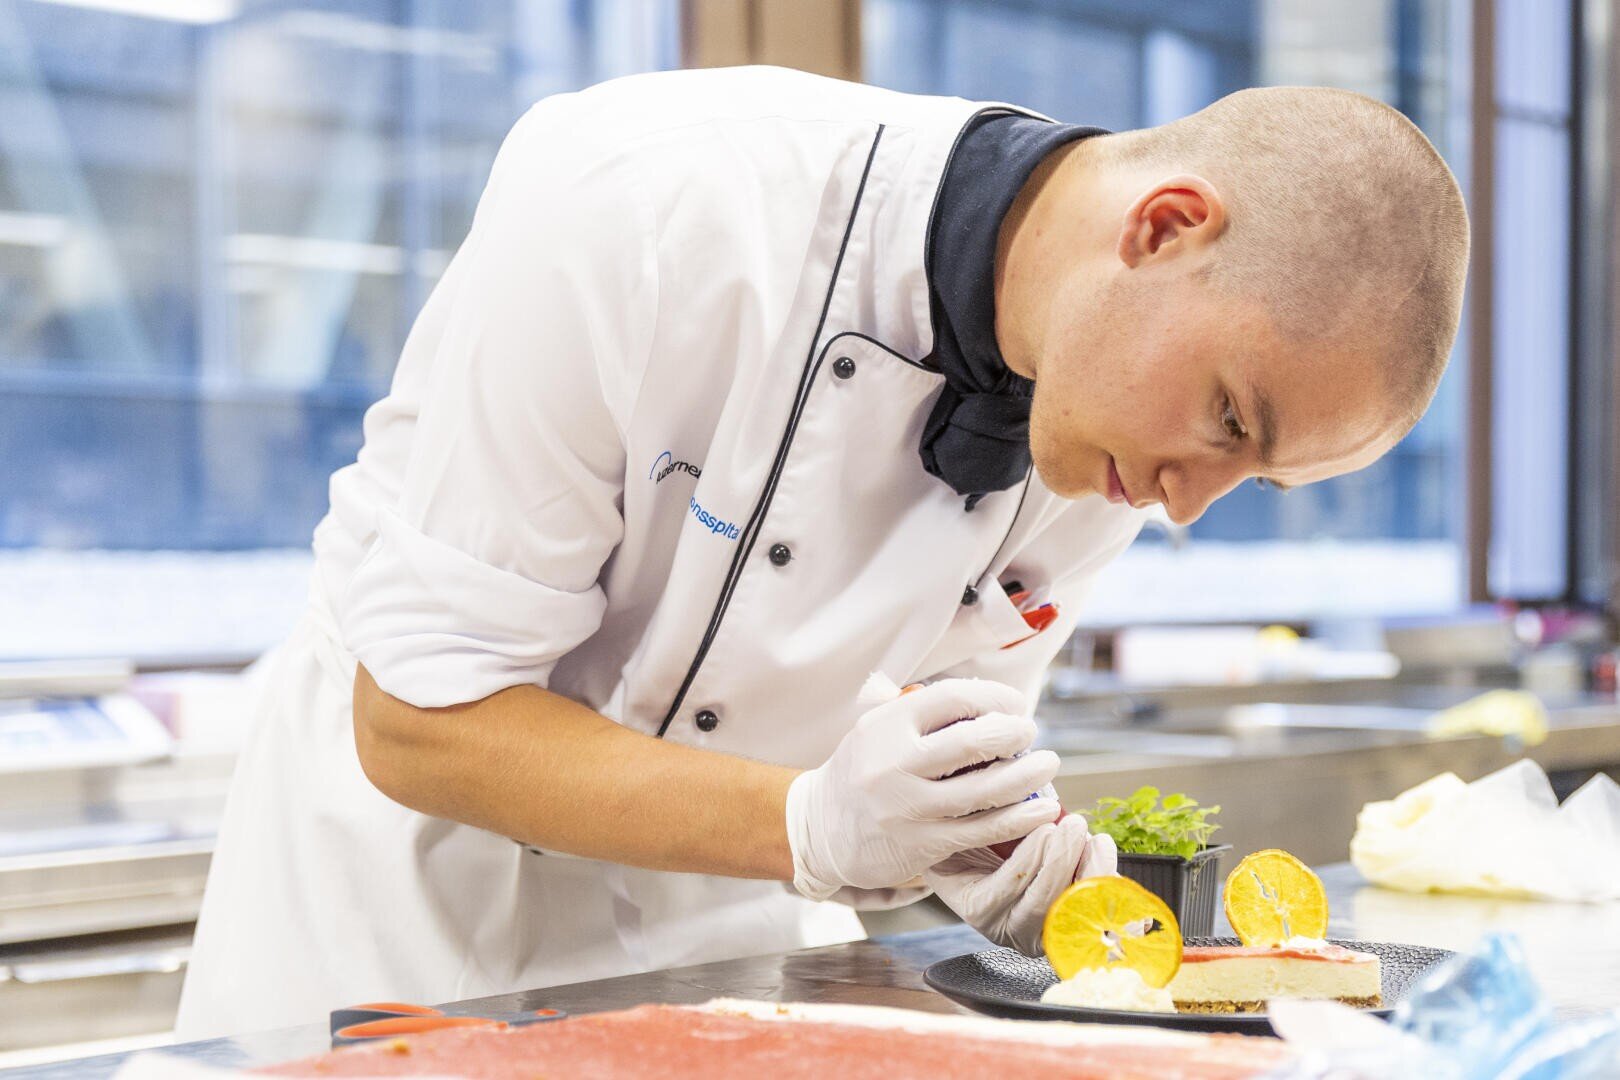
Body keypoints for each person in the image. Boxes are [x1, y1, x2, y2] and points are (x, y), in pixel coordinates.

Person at [176, 65, 1468, 1037]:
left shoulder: (1109, 429)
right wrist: (809, 821)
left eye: (1259, 470)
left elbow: (928, 736)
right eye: (1233, 420)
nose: (1192, 503)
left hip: (712, 951)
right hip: (397, 915)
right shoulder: (645, 198)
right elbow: (420, 723)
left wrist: (986, 851)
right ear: (1162, 228)